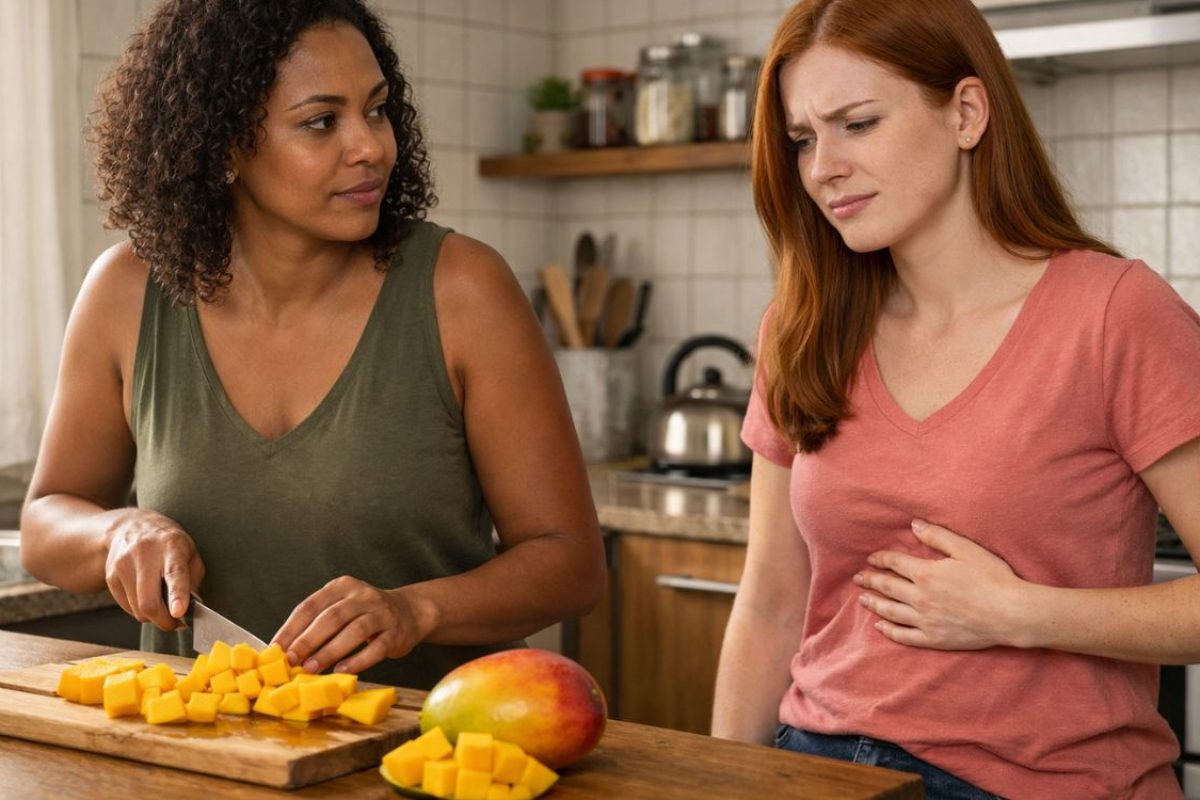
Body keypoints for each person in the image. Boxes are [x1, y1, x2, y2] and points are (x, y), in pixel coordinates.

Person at [19, 0, 605, 692]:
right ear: (225, 145)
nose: (371, 146)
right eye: (321, 122)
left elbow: (570, 564)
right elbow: (45, 520)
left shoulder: (464, 290)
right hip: (213, 756)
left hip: (432, 750)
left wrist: (414, 609)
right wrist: (117, 533)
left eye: (378, 109)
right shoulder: (127, 292)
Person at [711, 0, 1200, 797]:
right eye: (803, 138)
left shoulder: (1115, 314)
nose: (821, 167)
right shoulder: (801, 328)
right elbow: (771, 597)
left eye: (857, 123)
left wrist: (1022, 613)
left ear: (967, 112)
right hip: (812, 765)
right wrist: (725, 781)